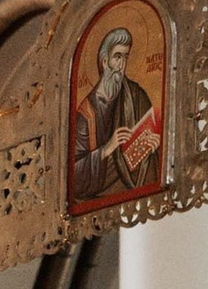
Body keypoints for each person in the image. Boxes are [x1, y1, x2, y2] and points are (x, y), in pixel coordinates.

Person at [70, 22, 163, 205]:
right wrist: (107, 148)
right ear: (105, 62)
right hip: (98, 188)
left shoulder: (135, 95)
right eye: (117, 57)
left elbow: (152, 131)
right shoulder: (86, 113)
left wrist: (155, 146)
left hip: (133, 181)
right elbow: (73, 176)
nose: (121, 64)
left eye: (125, 57)